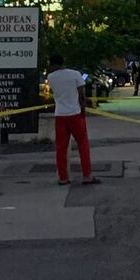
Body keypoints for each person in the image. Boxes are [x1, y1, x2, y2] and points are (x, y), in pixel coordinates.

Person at [47, 54, 97, 186]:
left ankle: (63, 177)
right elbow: (82, 95)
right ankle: (87, 175)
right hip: (75, 113)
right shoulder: (75, 74)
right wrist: (83, 110)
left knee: (61, 147)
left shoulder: (51, 77)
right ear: (63, 62)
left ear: (52, 64)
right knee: (83, 144)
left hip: (60, 115)